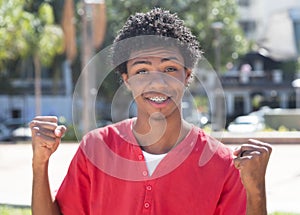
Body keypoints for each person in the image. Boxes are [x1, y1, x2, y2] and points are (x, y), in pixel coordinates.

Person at [30, 8, 272, 215]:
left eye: (169, 69)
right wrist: (40, 164)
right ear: (127, 80)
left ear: (186, 76)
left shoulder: (221, 162)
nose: (157, 83)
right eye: (142, 71)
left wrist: (256, 191)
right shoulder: (96, 148)